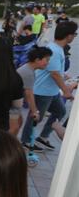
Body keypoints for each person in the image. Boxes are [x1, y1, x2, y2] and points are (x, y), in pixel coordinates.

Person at [20, 21, 78, 151]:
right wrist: (66, 91)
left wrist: (66, 76)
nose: (74, 37)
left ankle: (43, 136)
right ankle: (26, 141)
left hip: (51, 91)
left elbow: (57, 71)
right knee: (36, 116)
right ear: (68, 35)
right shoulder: (55, 50)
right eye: (74, 34)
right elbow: (55, 74)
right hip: (42, 91)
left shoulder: (57, 48)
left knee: (60, 111)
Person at [16, 46, 53, 146]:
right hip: (11, 101)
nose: (48, 63)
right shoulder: (28, 72)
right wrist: (35, 111)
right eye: (47, 60)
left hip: (13, 100)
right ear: (37, 60)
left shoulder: (28, 69)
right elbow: (29, 94)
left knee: (18, 122)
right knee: (15, 125)